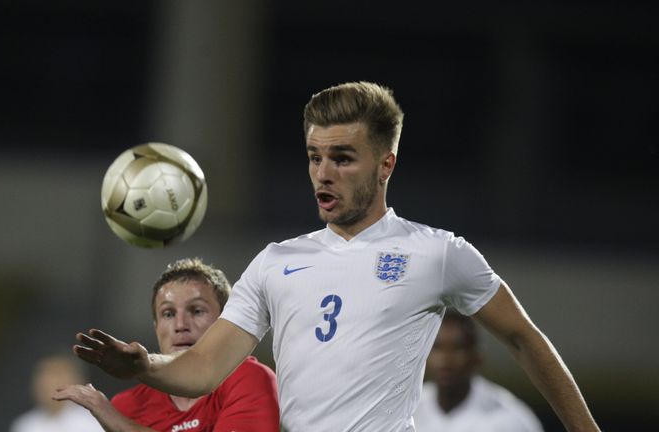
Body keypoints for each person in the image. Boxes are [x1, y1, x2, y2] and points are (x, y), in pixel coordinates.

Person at [70, 81, 600, 432]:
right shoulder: (276, 262)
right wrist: (144, 365)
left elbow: (523, 337)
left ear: (386, 164)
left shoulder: (436, 252)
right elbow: (204, 369)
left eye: (343, 158)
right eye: (314, 157)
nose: (323, 173)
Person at [53, 258, 279, 432]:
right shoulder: (128, 406)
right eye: (168, 314)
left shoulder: (250, 378)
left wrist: (121, 425)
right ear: (156, 327)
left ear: (226, 322)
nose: (180, 325)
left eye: (197, 310)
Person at [413, 309, 544, 432]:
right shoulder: (408, 410)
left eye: (457, 348)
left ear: (476, 357)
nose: (445, 359)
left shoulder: (511, 419)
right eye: (437, 347)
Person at [9, 353, 103, 432]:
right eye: (43, 375)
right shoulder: (25, 425)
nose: (48, 382)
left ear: (77, 380)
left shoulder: (93, 424)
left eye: (57, 374)